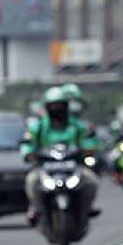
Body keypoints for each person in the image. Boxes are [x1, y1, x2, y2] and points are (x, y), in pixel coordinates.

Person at [21, 85, 99, 224]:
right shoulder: (38, 127)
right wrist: (29, 154)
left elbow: (89, 140)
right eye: (53, 106)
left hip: (73, 165)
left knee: (91, 180)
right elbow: (28, 143)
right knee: (32, 180)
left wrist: (89, 149)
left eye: (60, 105)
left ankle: (87, 207)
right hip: (45, 165)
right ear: (47, 107)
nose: (57, 109)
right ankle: (36, 209)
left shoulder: (77, 125)